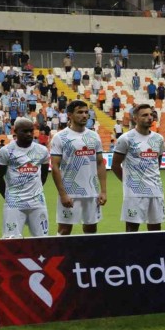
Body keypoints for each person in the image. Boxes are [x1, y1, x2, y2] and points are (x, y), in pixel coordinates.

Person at [50, 101, 107, 235]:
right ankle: (60, 250)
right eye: (80, 112)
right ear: (69, 115)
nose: (84, 115)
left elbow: (100, 163)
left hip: (92, 192)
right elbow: (55, 166)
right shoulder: (60, 137)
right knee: (64, 229)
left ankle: (89, 250)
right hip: (70, 192)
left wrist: (103, 191)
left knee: (91, 229)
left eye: (86, 112)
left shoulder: (94, 136)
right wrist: (63, 194)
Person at [111, 104, 165, 232]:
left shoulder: (158, 139)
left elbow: (157, 163)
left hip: (156, 191)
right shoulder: (126, 139)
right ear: (135, 118)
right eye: (145, 115)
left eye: (151, 115)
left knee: (156, 229)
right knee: (132, 229)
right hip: (134, 193)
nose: (149, 117)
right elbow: (115, 165)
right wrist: (128, 182)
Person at [0, 118, 50, 238]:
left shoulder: (42, 150)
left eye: (31, 131)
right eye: (24, 131)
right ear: (15, 131)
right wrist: (8, 197)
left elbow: (44, 174)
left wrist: (35, 191)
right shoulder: (6, 151)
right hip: (14, 203)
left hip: (37, 202)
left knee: (42, 240)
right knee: (11, 240)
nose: (29, 134)